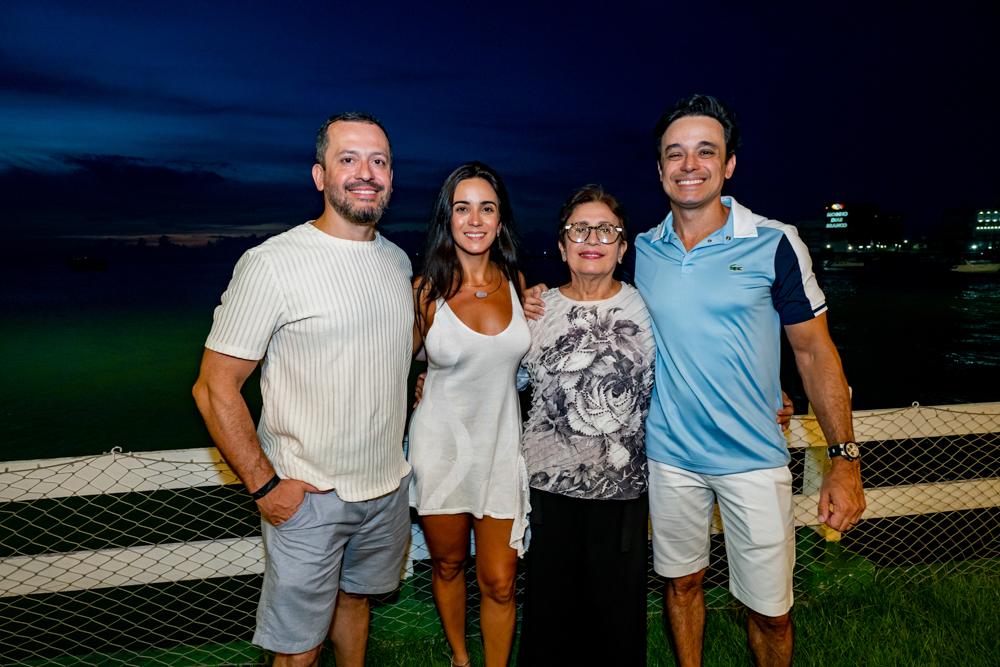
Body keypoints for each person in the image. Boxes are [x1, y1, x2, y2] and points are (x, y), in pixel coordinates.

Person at [632, 94, 866, 667]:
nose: (690, 165)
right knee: (681, 585)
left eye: (705, 151)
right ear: (660, 169)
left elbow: (814, 351)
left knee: (771, 612)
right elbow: (595, 304)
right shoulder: (642, 249)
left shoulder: (775, 241)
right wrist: (534, 300)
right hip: (669, 457)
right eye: (675, 153)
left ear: (729, 164)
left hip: (755, 458)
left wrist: (844, 460)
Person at [192, 112, 413, 667]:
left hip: (386, 488)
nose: (366, 173)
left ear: (391, 177)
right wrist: (265, 486)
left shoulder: (396, 261)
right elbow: (215, 387)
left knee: (355, 601)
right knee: (298, 650)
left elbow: (389, 351)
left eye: (379, 161)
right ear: (320, 176)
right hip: (309, 496)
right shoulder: (272, 264)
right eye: (348, 159)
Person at [514, 185, 654, 666]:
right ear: (561, 245)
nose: (592, 239)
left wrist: (771, 393)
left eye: (606, 230)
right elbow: (497, 378)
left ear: (623, 247)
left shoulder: (648, 310)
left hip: (622, 491)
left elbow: (700, 361)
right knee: (549, 621)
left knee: (616, 625)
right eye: (579, 229)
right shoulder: (534, 311)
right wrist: (429, 379)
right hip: (546, 491)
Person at [408, 162, 531, 667]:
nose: (475, 219)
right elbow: (394, 365)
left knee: (500, 580)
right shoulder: (425, 292)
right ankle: (461, 659)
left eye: (487, 208)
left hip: (501, 449)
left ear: (500, 221)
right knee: (448, 563)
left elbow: (527, 367)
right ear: (448, 218)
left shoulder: (519, 284)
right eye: (463, 208)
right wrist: (417, 384)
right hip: (441, 449)